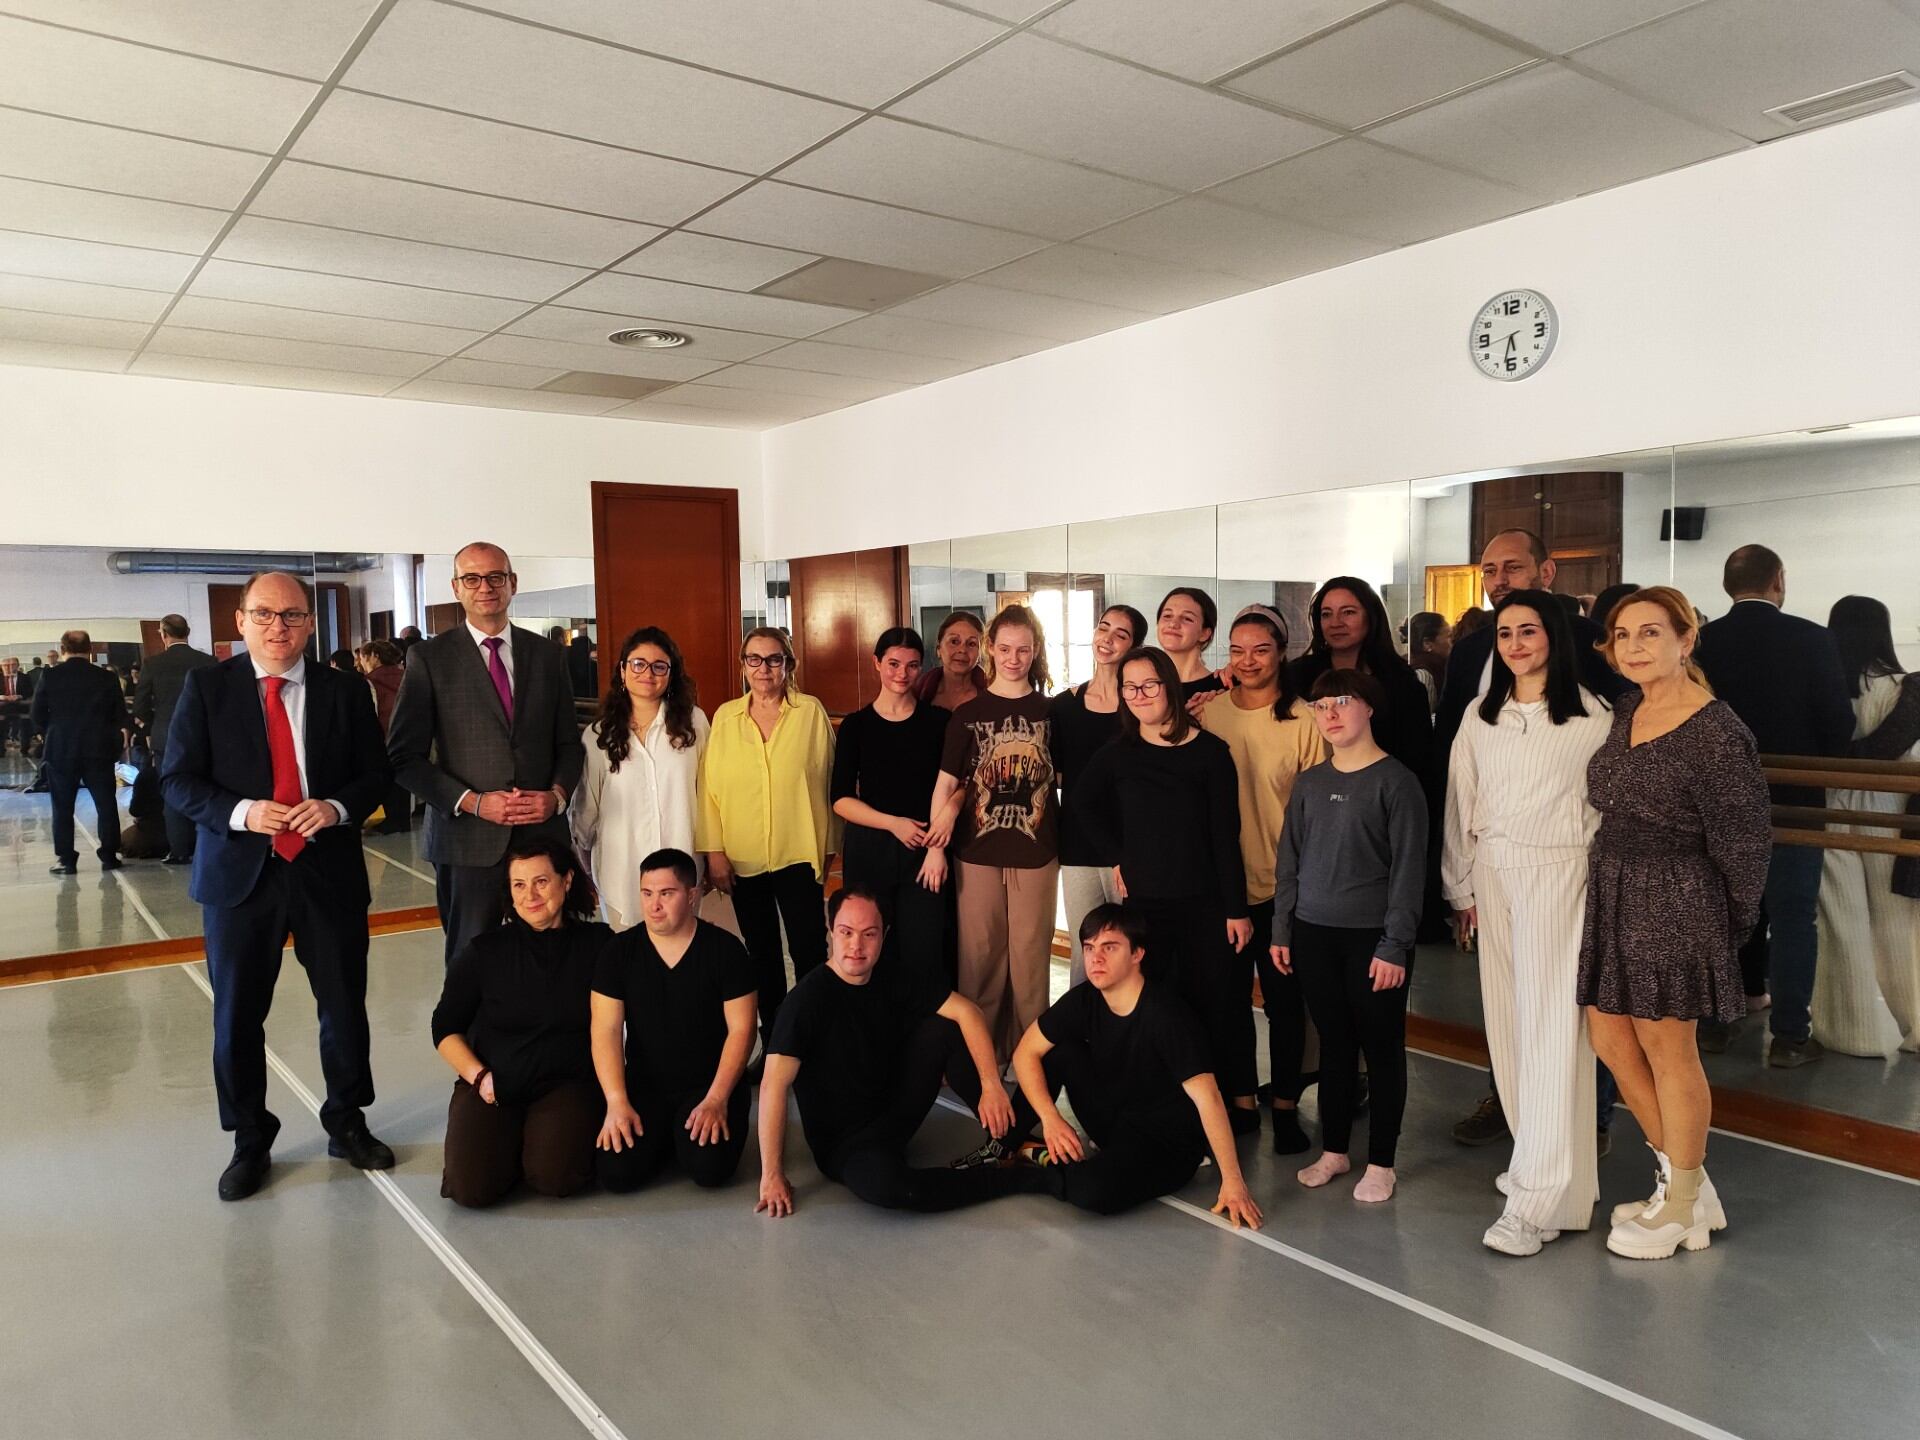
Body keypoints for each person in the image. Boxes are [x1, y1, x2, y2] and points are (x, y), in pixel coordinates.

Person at [161, 573, 395, 1201]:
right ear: (239, 621)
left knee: (344, 1007)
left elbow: (377, 773)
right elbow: (177, 780)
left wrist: (338, 809)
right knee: (237, 1017)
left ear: (310, 624)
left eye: (292, 616)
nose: (278, 627)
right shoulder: (207, 687)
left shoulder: (345, 691)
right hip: (241, 876)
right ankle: (249, 1140)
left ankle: (347, 1121)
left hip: (328, 872)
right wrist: (243, 813)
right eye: (264, 614)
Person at [1579, 588, 1771, 1260]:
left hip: (1678, 899)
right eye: (1622, 635)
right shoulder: (1631, 704)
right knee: (1610, 1037)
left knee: (1671, 1053)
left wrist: (1727, 928)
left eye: (1650, 633)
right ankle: (1686, 1185)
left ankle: (1683, 1207)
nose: (1633, 647)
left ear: (1687, 640)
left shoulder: (1718, 731)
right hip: (1617, 889)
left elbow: (1745, 845)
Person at [1436, 531, 1628, 1147]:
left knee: (1568, 1005)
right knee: (1509, 1000)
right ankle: (1512, 1102)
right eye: (1489, 569)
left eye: (1512, 566)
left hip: (1564, 862)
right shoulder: (1469, 656)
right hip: (1497, 859)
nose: (1499, 578)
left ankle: (1588, 1120)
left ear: (1544, 570)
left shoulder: (1591, 664)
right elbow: (1460, 769)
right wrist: (1459, 879)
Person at [1442, 591, 1612, 1256]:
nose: (1515, 643)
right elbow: (1463, 800)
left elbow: (1603, 813)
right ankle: (1556, 1187)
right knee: (1511, 1031)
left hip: (1560, 874)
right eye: (1505, 632)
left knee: (1553, 1033)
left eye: (1529, 630)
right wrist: (1460, 889)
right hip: (1494, 872)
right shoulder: (1482, 718)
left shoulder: (1592, 719)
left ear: (1555, 638)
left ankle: (1536, 1202)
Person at [755, 886, 1037, 1217]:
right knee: (892, 1188)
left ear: (884, 935)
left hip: (894, 1114)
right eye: (846, 933)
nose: (856, 946)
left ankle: (1008, 1140)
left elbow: (968, 1012)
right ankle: (1015, 1178)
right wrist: (771, 1175)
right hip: (846, 1145)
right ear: (830, 931)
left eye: (868, 934)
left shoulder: (891, 974)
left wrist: (991, 1084)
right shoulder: (805, 1002)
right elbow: (773, 1084)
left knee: (944, 1029)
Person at [1075, 646, 1255, 1131]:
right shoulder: (1118, 754)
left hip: (1206, 902)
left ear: (1170, 686)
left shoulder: (1210, 752)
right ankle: (1171, 1104)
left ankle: (1229, 1105)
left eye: (1148, 685)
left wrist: (1236, 910)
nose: (1139, 696)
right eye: (1129, 687)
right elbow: (1083, 804)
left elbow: (1225, 835)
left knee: (1216, 1002)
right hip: (1147, 906)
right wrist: (1116, 853)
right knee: (1161, 1007)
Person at [1694, 544, 1855, 1065]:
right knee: (1792, 919)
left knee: (1722, 916)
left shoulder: (1702, 642)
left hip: (1716, 804)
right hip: (1795, 802)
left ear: (1727, 585)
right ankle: (1789, 1037)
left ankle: (1715, 1026)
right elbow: (1836, 725)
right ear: (1778, 580)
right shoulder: (1812, 638)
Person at [1004, 902, 1262, 1225]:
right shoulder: (1085, 999)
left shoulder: (1166, 1015)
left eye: (1109, 947)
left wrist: (1233, 1183)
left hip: (1166, 1144)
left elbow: (1208, 1098)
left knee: (1091, 1192)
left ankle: (1036, 1168)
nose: (1096, 958)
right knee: (1059, 1052)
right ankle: (1006, 1148)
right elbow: (1025, 1052)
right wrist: (1050, 1117)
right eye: (1089, 947)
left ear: (1137, 954)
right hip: (1115, 1120)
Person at [387, 542, 585, 963]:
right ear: (456, 588)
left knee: (553, 955)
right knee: (470, 958)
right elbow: (404, 758)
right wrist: (472, 802)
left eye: (496, 577)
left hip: (542, 835)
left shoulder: (548, 655)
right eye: (472, 579)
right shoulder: (429, 658)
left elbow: (569, 744)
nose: (485, 587)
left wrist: (556, 796)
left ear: (512, 583)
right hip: (466, 841)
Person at [1272, 669, 1427, 1204]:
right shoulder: (1311, 782)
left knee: (1382, 1050)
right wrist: (1282, 928)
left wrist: (1394, 944)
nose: (1330, 714)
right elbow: (1288, 859)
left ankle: (1382, 1161)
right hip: (1314, 934)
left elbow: (1410, 870)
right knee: (1335, 1046)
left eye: (1342, 702)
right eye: (1320, 707)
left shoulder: (1397, 782)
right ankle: (1335, 1150)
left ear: (1369, 708)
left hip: (1372, 941)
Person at [1199, 604, 1328, 1152]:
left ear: (1281, 654)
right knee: (1228, 1002)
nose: (1247, 660)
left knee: (1284, 1004)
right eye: (1237, 650)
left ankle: (1286, 1107)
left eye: (1260, 649)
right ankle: (1243, 1104)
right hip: (1223, 887)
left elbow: (1319, 813)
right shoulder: (1209, 714)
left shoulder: (1305, 720)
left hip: (1284, 887)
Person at [431, 837, 608, 1207]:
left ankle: (532, 1144)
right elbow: (445, 1026)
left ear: (567, 880)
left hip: (566, 1082)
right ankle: (508, 1144)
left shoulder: (599, 945)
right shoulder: (484, 951)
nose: (531, 895)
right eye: (519, 885)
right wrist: (479, 1077)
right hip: (495, 1082)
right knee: (471, 1190)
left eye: (541, 881)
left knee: (555, 1178)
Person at [932, 604, 1060, 1064]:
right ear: (991, 648)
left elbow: (1065, 777)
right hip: (976, 852)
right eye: (1004, 648)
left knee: (1030, 964)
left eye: (1023, 649)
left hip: (1037, 852)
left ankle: (1031, 1063)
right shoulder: (968, 714)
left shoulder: (1051, 712)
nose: (1013, 658)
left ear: (1035, 650)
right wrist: (935, 851)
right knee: (980, 960)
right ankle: (980, 1060)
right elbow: (946, 784)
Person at [591, 849, 757, 1191]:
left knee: (709, 1171)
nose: (654, 905)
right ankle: (668, 1136)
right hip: (645, 1086)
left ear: (692, 895)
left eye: (667, 894)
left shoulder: (726, 950)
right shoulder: (618, 952)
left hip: (708, 1086)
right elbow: (605, 1030)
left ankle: (676, 1138)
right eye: (647, 893)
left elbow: (742, 1031)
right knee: (616, 1175)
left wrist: (717, 1098)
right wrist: (616, 1102)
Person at [697, 626, 835, 1037]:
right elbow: (709, 789)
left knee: (809, 949)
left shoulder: (810, 712)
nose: (763, 668)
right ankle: (775, 1038)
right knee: (761, 954)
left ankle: (813, 1035)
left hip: (799, 852)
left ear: (789, 665)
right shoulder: (724, 717)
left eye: (774, 659)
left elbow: (829, 784)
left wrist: (829, 848)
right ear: (743, 666)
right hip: (742, 857)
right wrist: (714, 851)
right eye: (754, 659)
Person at [1812, 596, 1919, 1055]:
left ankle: (1851, 1032)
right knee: (1898, 923)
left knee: (1841, 922)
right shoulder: (1905, 687)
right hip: (1890, 809)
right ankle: (1915, 1024)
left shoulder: (1826, 683)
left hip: (1829, 806)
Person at [830, 627, 951, 983]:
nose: (902, 674)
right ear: (877, 663)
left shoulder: (938, 722)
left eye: (912, 666)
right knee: (868, 951)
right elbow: (840, 799)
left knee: (923, 952)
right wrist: (893, 823)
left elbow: (955, 787)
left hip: (925, 850)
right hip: (870, 849)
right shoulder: (856, 725)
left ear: (922, 668)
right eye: (894, 664)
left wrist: (937, 847)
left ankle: (920, 1035)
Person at [572, 627, 709, 933]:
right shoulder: (598, 735)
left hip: (683, 860)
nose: (648, 673)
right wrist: (583, 869)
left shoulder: (694, 723)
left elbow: (710, 794)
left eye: (659, 666)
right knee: (631, 960)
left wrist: (715, 855)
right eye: (638, 664)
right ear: (623, 670)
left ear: (671, 674)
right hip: (621, 867)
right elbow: (586, 810)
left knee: (682, 954)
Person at [1050, 603, 1147, 974]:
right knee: (1085, 950)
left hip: (1129, 844)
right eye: (1103, 628)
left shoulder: (1139, 705)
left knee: (1130, 949)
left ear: (1134, 646)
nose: (1107, 639)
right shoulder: (1064, 705)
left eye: (1120, 634)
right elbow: (1057, 774)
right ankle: (1082, 1031)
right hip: (1077, 844)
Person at [1288, 576, 1431, 785]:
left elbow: (1420, 761)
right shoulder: (1297, 675)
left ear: (1371, 617)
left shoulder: (1401, 682)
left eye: (1348, 612)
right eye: (1326, 614)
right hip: (1314, 793)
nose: (1336, 623)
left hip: (1383, 796)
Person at [34, 629, 127, 875]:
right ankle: (109, 855)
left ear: (63, 650)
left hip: (61, 748)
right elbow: (119, 715)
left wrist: (52, 731)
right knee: (105, 803)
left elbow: (37, 715)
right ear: (90, 650)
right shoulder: (106, 677)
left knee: (62, 806)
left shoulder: (50, 676)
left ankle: (66, 859)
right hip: (98, 748)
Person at [131, 615, 217, 863]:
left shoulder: (153, 664)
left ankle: (179, 850)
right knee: (204, 787)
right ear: (187, 632)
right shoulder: (207, 661)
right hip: (203, 733)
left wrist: (151, 724)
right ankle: (205, 844)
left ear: (163, 634)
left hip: (166, 735)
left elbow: (140, 704)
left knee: (172, 789)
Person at [354, 639, 411, 834]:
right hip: (410, 736)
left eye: (363, 657)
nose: (361, 663)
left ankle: (390, 820)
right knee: (404, 779)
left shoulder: (370, 681)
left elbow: (371, 712)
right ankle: (402, 820)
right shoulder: (407, 676)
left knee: (385, 779)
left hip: (383, 737)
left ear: (374, 656)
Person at [1156, 586, 1226, 700]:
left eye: (1187, 618)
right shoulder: (1139, 687)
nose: (1173, 624)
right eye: (1167, 616)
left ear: (1205, 633)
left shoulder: (1222, 688)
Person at [914, 611, 987, 712]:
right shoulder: (917, 694)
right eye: (954, 641)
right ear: (939, 649)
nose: (962, 650)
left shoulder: (994, 696)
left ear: (980, 653)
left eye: (971, 644)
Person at [1406, 610, 1451, 714]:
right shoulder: (1423, 675)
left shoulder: (1442, 668)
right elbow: (1422, 720)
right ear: (1428, 644)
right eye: (1448, 636)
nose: (1452, 641)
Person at [0, 654, 35, 753]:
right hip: (2, 707)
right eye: (5, 666)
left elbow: (30, 691)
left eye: (12, 665)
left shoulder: (24, 677)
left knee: (24, 727)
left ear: (17, 665)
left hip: (20, 705)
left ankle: (25, 749)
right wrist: (2, 697)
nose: (9, 667)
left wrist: (19, 696)